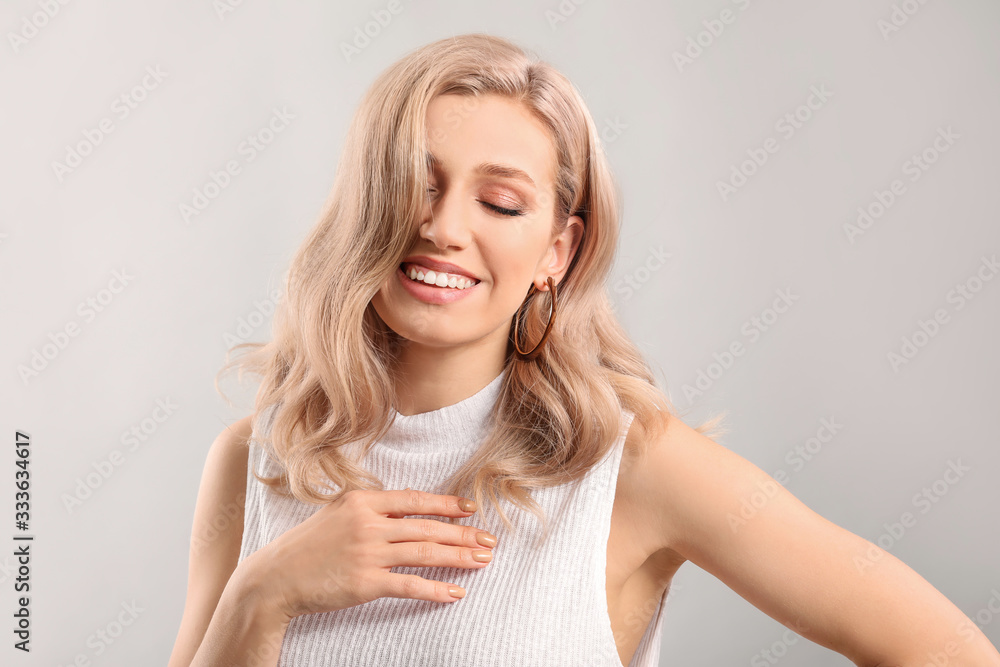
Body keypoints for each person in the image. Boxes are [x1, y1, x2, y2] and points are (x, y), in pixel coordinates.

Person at [169, 34, 1000, 667]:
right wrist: (263, 593)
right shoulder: (255, 461)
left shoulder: (627, 466)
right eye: (414, 184)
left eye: (500, 202)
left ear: (557, 253)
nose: (443, 227)